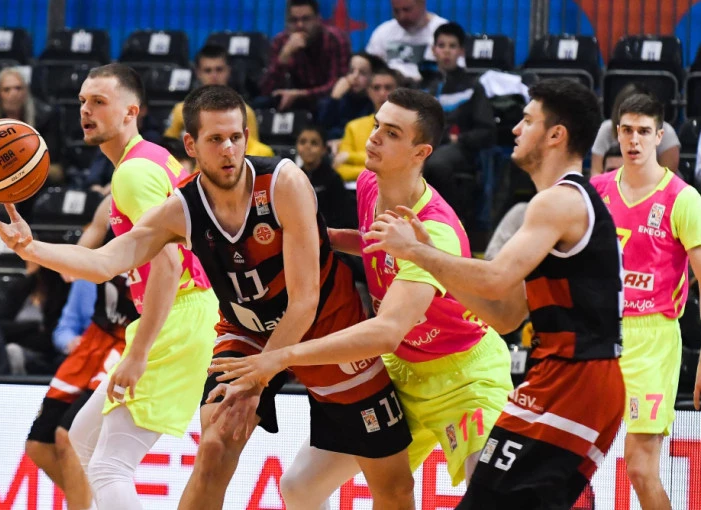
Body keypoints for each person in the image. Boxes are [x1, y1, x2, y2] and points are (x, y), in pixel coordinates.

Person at [0, 85, 416, 510]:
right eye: (215, 139)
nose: (228, 150)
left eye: (236, 137)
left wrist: (261, 374)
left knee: (392, 486)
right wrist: (31, 248)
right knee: (214, 446)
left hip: (325, 328)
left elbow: (305, 303)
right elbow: (106, 261)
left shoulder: (283, 183)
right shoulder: (184, 207)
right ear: (191, 144)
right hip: (246, 331)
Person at [210, 89, 515, 509]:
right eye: (376, 125)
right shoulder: (370, 183)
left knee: (492, 496)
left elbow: (387, 331)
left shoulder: (435, 230)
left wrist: (281, 356)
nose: (374, 138)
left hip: (462, 377)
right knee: (299, 487)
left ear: (420, 152)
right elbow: (374, 245)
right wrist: (317, 237)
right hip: (402, 371)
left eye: (392, 133)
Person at [337, 79, 625, 508]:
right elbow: (505, 315)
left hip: (580, 376)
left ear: (555, 135)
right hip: (558, 375)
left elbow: (494, 279)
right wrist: (430, 258)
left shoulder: (557, 202)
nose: (515, 129)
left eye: (527, 120)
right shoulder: (557, 203)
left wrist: (417, 252)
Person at [9, 63, 219, 510]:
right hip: (181, 312)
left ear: (130, 112)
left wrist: (137, 354)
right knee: (79, 445)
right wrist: (31, 248)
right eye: (83, 101)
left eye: (99, 102)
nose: (85, 110)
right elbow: (105, 264)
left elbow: (166, 265)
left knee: (109, 467)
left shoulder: (132, 175)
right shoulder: (153, 158)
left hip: (178, 316)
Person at [590, 93, 701, 510]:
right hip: (599, 334)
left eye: (643, 131)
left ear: (659, 135)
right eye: (626, 130)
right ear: (615, 133)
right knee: (563, 460)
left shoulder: (683, 198)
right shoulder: (596, 190)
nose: (633, 140)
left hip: (652, 337)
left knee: (639, 469)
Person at [25, 196, 139, 510]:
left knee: (69, 437)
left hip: (128, 338)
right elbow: (83, 252)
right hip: (97, 335)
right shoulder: (113, 202)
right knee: (38, 445)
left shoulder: (163, 216)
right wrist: (60, 257)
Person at [422, 22, 496, 222]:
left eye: (452, 46)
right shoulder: (425, 85)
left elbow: (487, 130)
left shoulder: (472, 87)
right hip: (427, 145)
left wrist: (459, 139)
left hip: (460, 149)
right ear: (434, 50)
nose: (446, 51)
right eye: (441, 45)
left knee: (435, 164)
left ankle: (453, 219)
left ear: (461, 51)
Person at [163, 43, 274, 157]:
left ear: (228, 71)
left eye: (219, 70)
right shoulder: (181, 110)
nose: (214, 76)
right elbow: (168, 149)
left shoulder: (245, 112)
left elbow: (253, 153)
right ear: (198, 73)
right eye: (208, 70)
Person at [260, 0, 351, 111]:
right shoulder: (281, 42)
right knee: (261, 103)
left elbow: (338, 85)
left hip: (323, 101)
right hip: (291, 101)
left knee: (328, 104)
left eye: (306, 19)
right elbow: (265, 90)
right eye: (294, 20)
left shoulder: (335, 39)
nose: (300, 25)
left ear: (318, 19)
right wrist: (283, 57)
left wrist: (302, 94)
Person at [0, 67, 65, 184]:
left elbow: (54, 162)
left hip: (39, 178)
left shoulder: (45, 117)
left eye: (18, 88)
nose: (13, 94)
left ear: (26, 92)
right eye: (6, 89)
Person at [591, 83, 680, 176]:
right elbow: (596, 173)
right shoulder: (606, 129)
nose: (634, 139)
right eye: (628, 130)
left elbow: (667, 177)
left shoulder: (667, 132)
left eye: (644, 131)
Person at [335, 67, 400, 181]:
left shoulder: (404, 127)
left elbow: (396, 164)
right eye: (376, 88)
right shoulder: (353, 126)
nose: (382, 93)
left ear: (398, 91)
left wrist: (350, 156)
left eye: (388, 87)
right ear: (369, 92)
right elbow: (340, 169)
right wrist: (379, 170)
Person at [365, 0, 448, 82]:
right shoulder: (383, 32)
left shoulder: (444, 32)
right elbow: (369, 69)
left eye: (407, 10)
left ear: (422, 4)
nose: (402, 16)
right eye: (396, 11)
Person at [295, 125, 357, 229]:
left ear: (324, 149)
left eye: (314, 143)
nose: (307, 147)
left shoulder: (333, 179)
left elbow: (344, 217)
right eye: (302, 142)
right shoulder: (294, 177)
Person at [317, 52, 382, 142]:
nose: (355, 76)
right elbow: (320, 129)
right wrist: (334, 98)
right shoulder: (338, 99)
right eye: (351, 71)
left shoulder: (373, 103)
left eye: (362, 73)